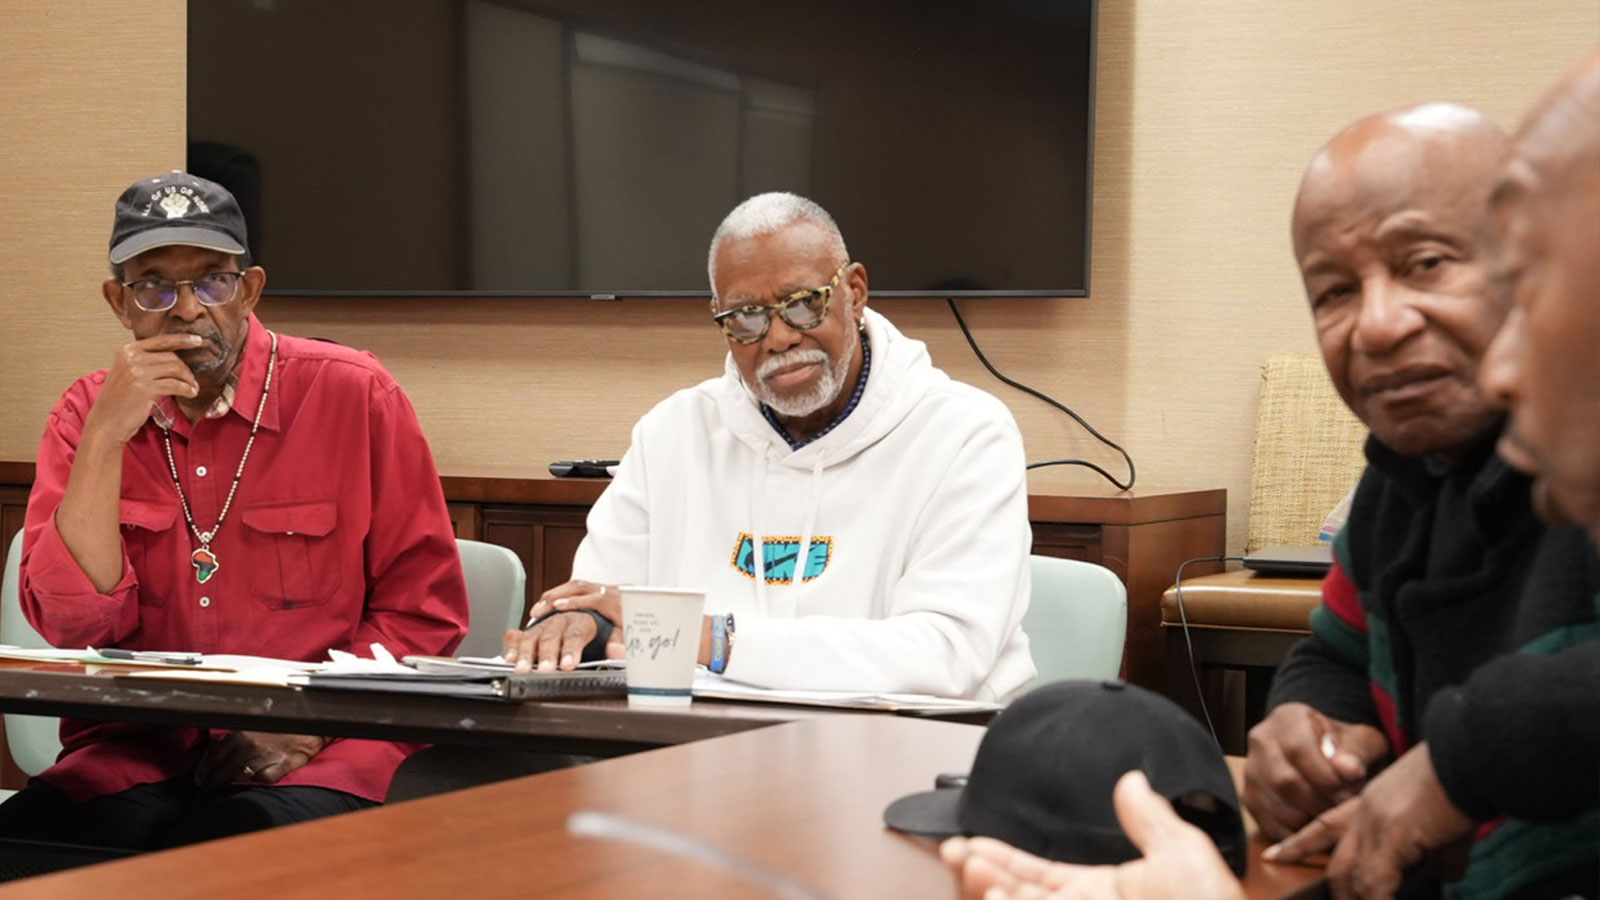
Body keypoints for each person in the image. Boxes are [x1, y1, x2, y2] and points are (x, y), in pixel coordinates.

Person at [0, 172, 469, 849]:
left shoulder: (354, 394)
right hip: (142, 748)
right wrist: (106, 438)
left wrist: (309, 721)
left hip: (326, 744)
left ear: (249, 290)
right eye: (154, 285)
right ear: (119, 304)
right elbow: (74, 627)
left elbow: (423, 613)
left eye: (212, 282)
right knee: (21, 848)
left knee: (230, 849)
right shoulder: (86, 415)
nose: (186, 309)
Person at [1249, 99, 1600, 899]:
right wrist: (1307, 733)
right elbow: (1335, 653)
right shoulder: (1391, 486)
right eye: (1333, 292)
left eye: (1426, 263)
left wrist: (1461, 759)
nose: (1375, 326)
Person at [502, 192, 1034, 701]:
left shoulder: (965, 433)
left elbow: (945, 655)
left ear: (854, 291)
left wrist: (711, 639)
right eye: (746, 318)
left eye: (803, 305)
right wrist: (576, 624)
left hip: (907, 758)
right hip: (695, 752)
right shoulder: (674, 432)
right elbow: (602, 597)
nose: (779, 337)